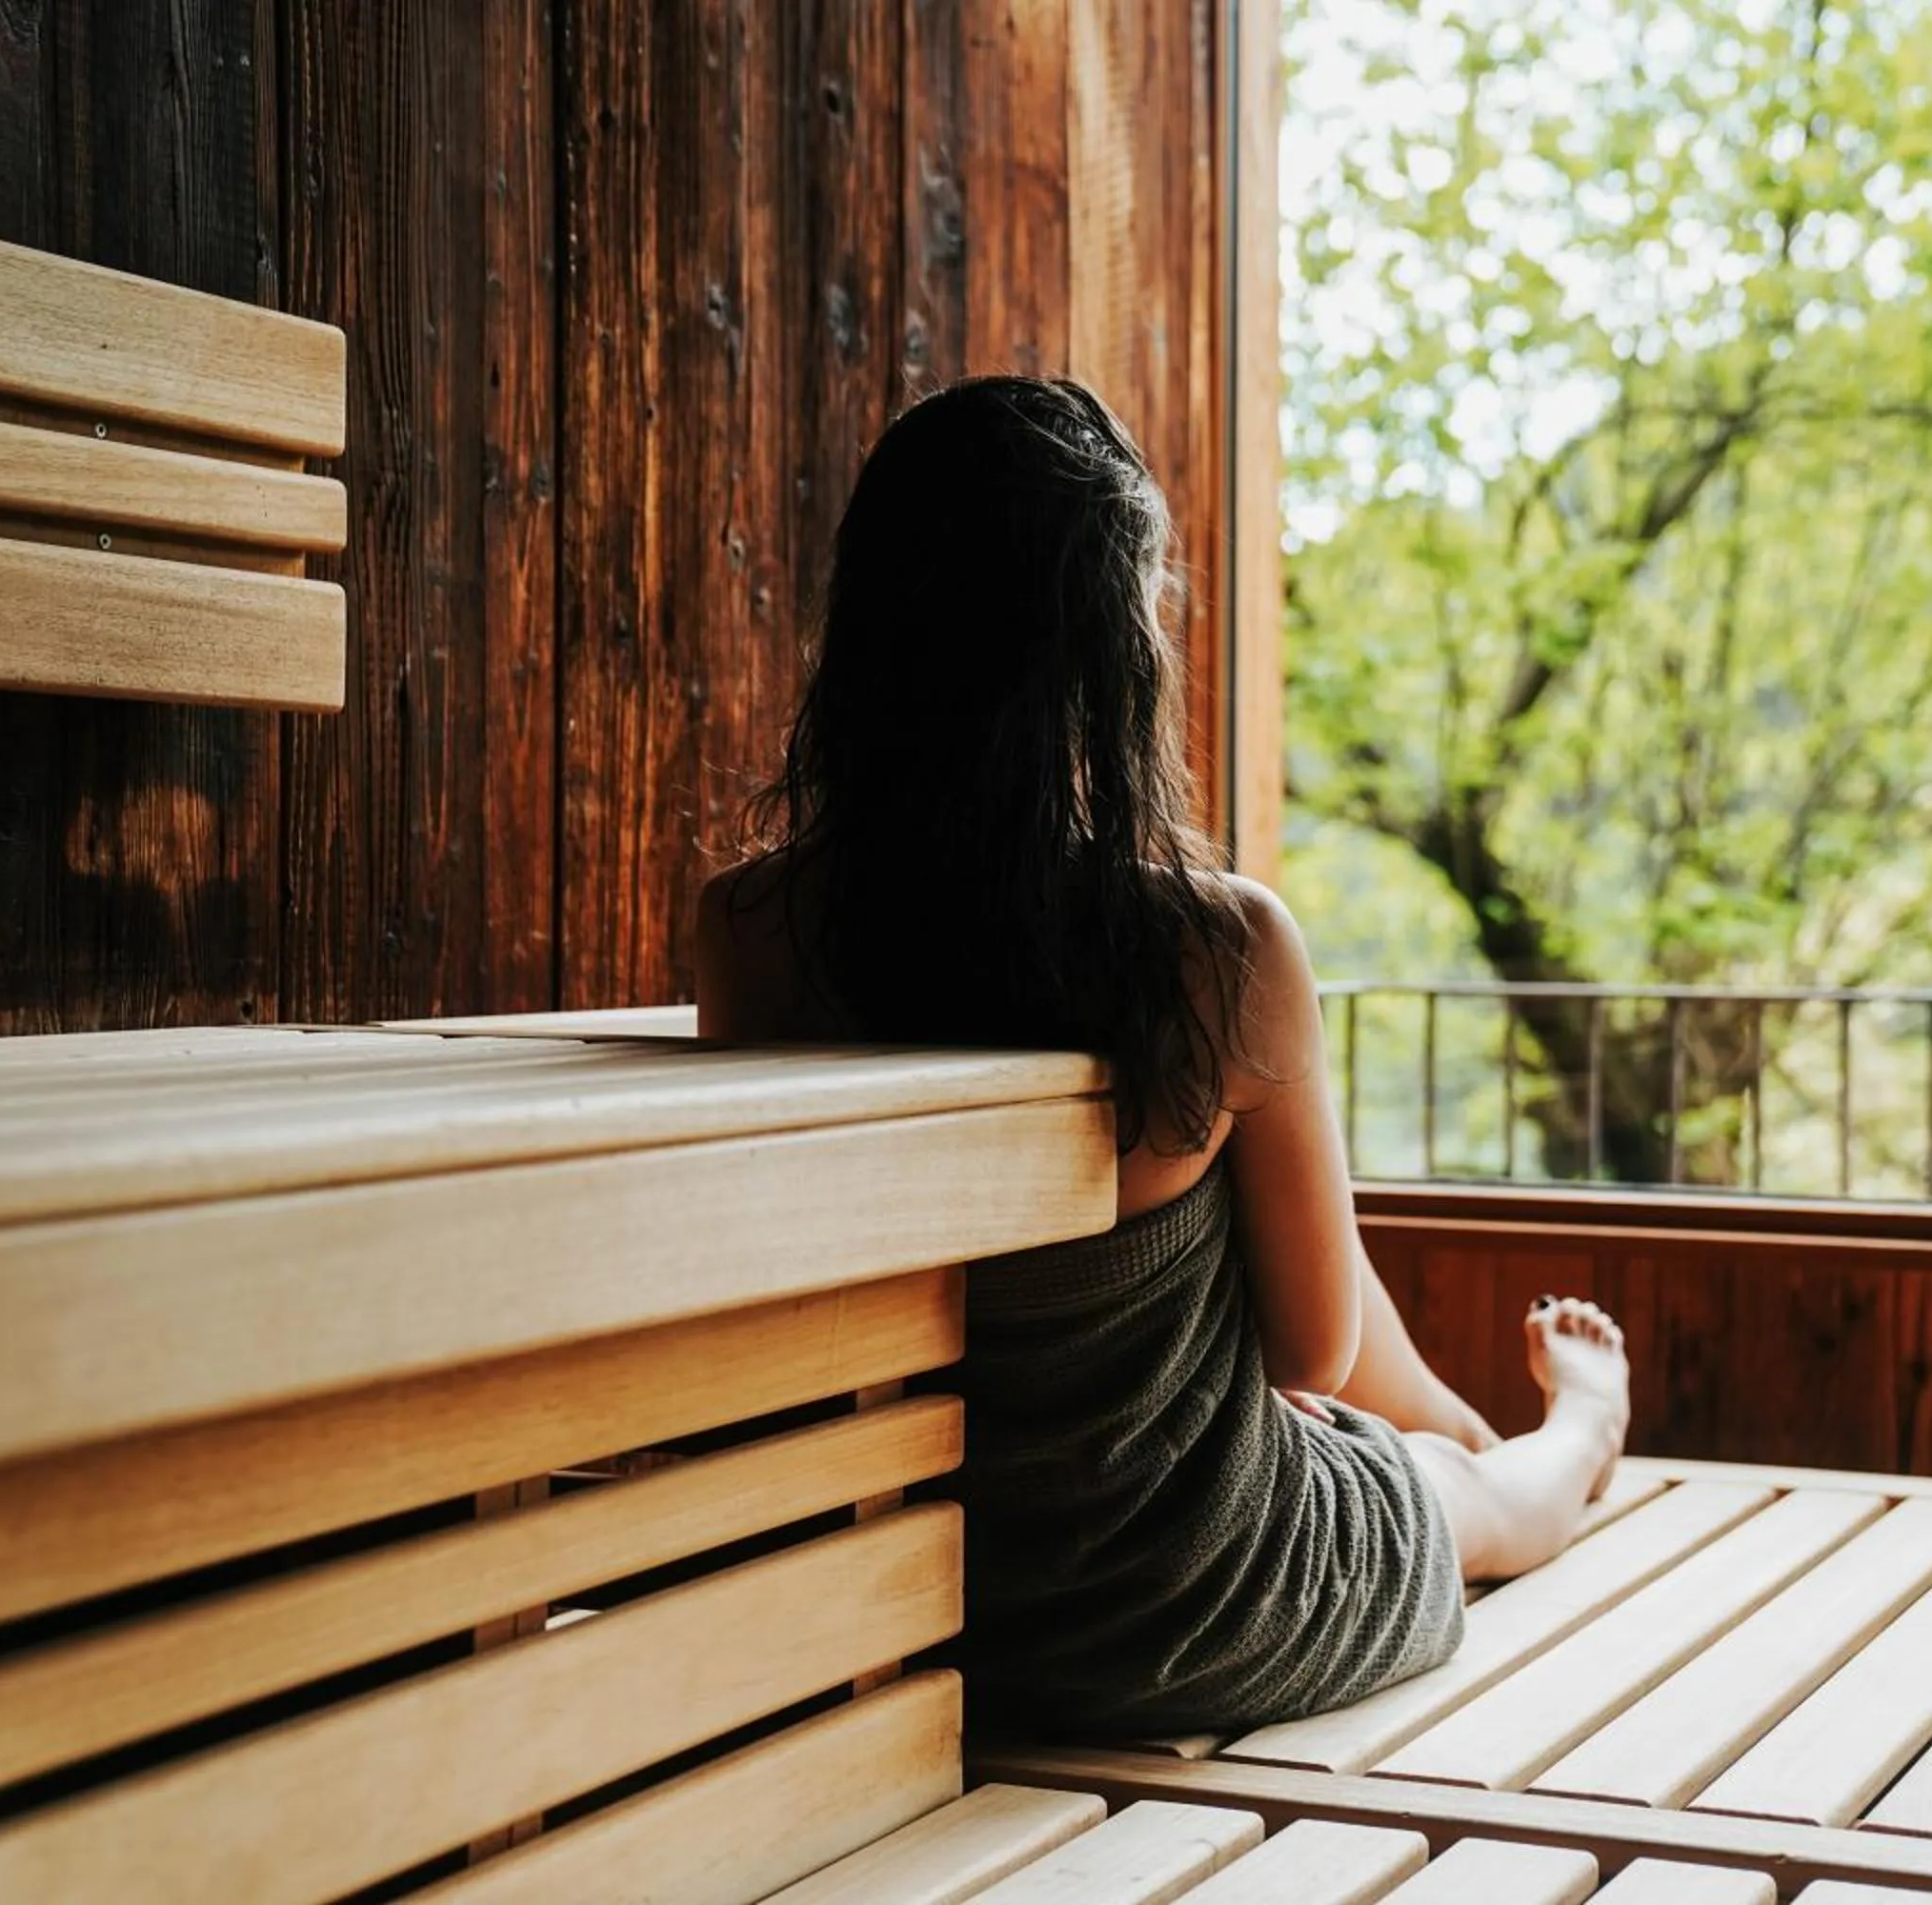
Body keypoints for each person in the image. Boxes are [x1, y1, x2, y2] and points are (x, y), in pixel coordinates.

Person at [696, 375, 1630, 1735]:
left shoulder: (752, 931)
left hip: (912, 1604)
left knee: (1337, 1381)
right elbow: (1313, 1345)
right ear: (1116, 653)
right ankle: (1571, 1433)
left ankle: (1465, 1432)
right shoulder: (1214, 948)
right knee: (1459, 1496)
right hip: (1194, 1603)